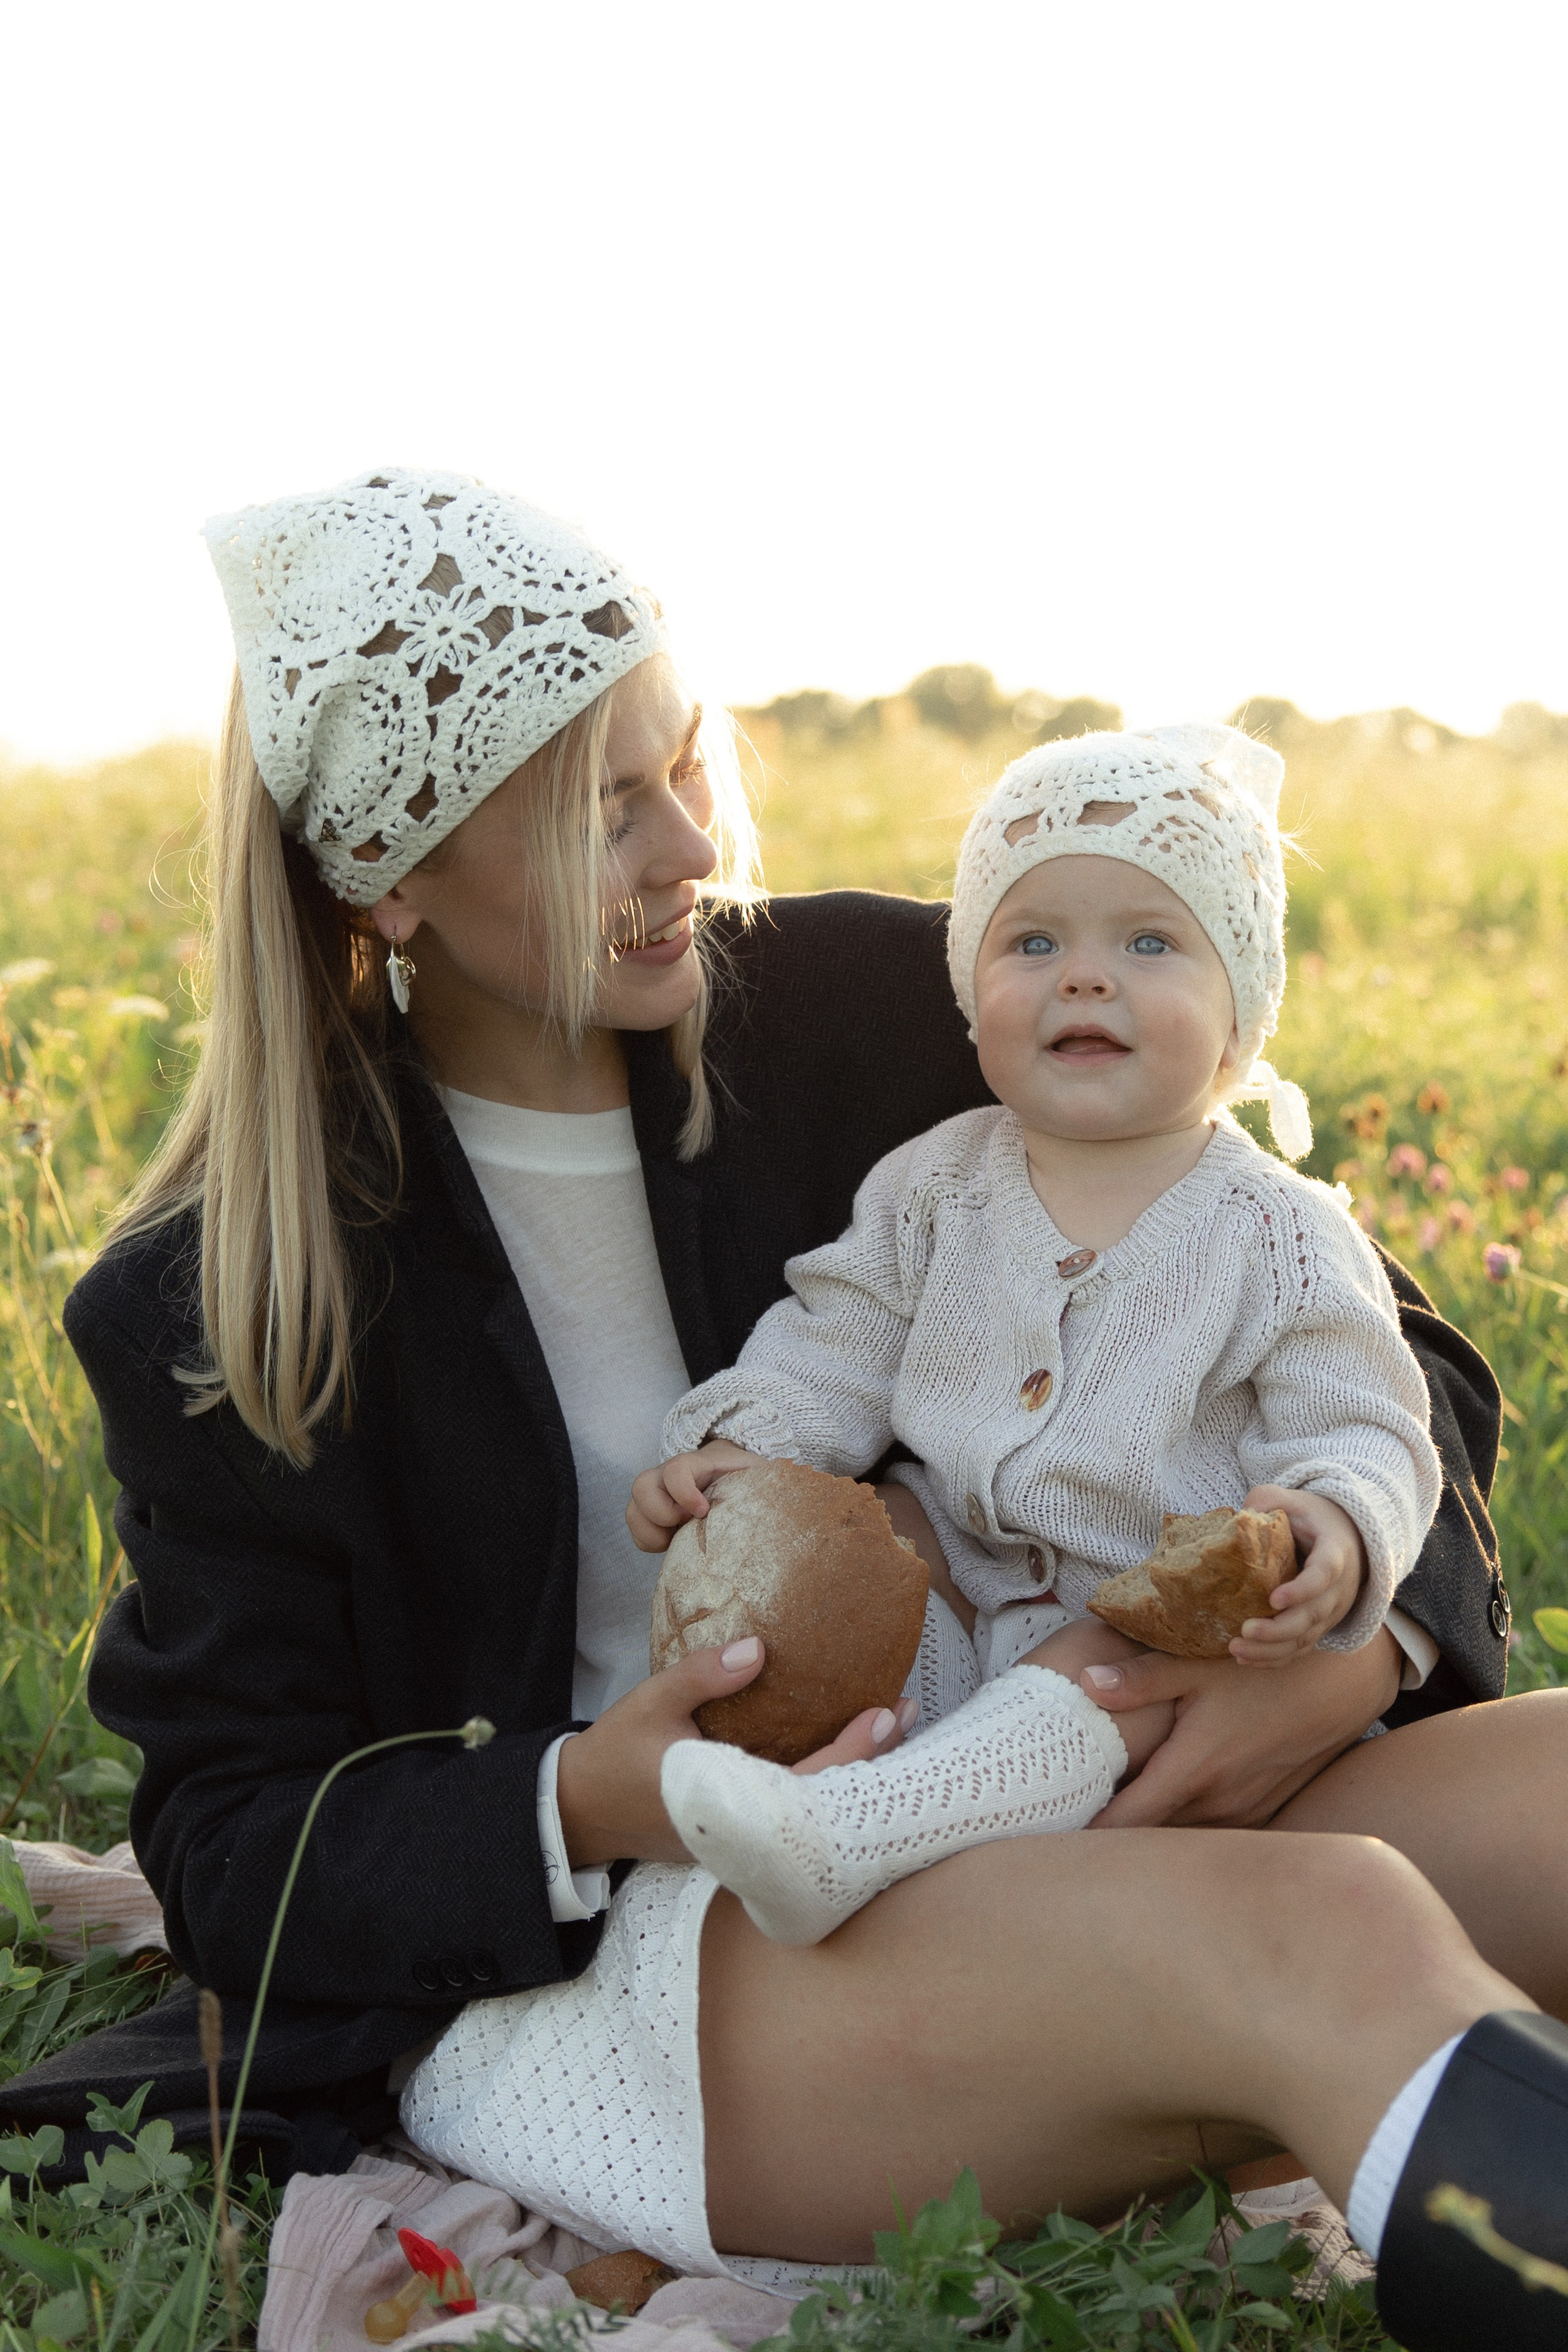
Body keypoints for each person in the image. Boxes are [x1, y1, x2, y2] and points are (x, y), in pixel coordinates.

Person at [7, 470, 1568, 2352]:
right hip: (693, 1960)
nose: (691, 847)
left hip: (1076, 1765)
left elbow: (1384, 1346)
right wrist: (612, 1788)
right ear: (394, 877)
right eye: (606, 812)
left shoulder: (870, 1010)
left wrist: (1344, 1658)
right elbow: (238, 1838)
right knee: (1336, 1934)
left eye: (689, 765)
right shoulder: (227, 1292)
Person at [621, 722, 1443, 1947]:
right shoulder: (934, 1187)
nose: (1083, 976)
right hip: (972, 1604)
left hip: (1168, 1659)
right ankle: (846, 1834)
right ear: (968, 994)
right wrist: (746, 1443)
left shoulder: (1274, 1228)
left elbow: (1365, 1417)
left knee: (1085, 1676)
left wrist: (1333, 1525)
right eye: (1032, 941)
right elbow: (832, 1338)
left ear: (1239, 1018)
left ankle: (854, 1839)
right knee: (873, 1608)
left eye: (1150, 942)